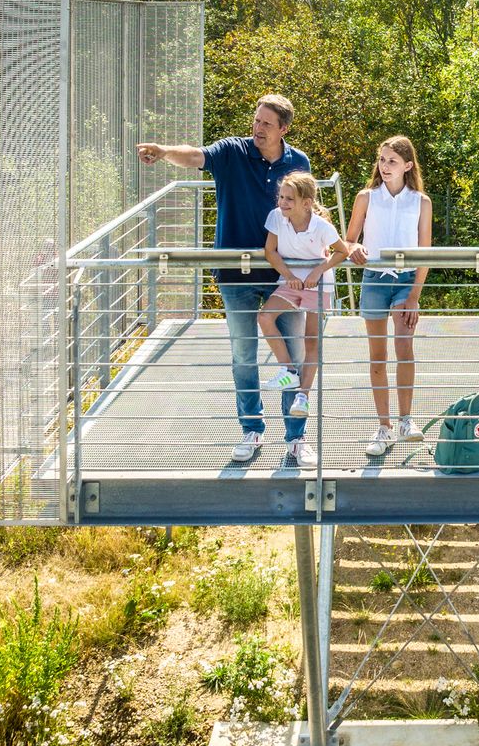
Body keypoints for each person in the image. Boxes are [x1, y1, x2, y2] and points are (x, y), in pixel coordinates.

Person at [136, 94, 317, 467]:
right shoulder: (232, 151)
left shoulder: (298, 162)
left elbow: (308, 212)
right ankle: (251, 430)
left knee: (295, 355)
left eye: (266, 123)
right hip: (235, 274)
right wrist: (164, 151)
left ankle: (296, 438)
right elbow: (195, 156)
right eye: (256, 120)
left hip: (286, 275)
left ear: (284, 128)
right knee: (243, 356)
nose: (258, 128)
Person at [344, 136, 433, 456]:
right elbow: (348, 240)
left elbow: (425, 251)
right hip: (373, 281)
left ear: (408, 165)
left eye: (392, 161)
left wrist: (414, 296)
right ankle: (384, 427)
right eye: (382, 160)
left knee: (404, 347)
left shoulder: (421, 202)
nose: (385, 166)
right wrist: (354, 248)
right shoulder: (366, 197)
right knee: (378, 356)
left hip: (406, 282)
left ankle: (406, 420)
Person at [259, 171, 348, 417]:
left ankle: (303, 396)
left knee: (311, 340)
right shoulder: (276, 217)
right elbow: (270, 251)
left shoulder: (321, 226)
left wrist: (318, 271)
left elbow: (342, 251)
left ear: (306, 203)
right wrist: (288, 275)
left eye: (289, 199)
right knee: (265, 317)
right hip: (291, 281)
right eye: (281, 197)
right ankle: (288, 370)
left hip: (317, 285)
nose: (283, 202)